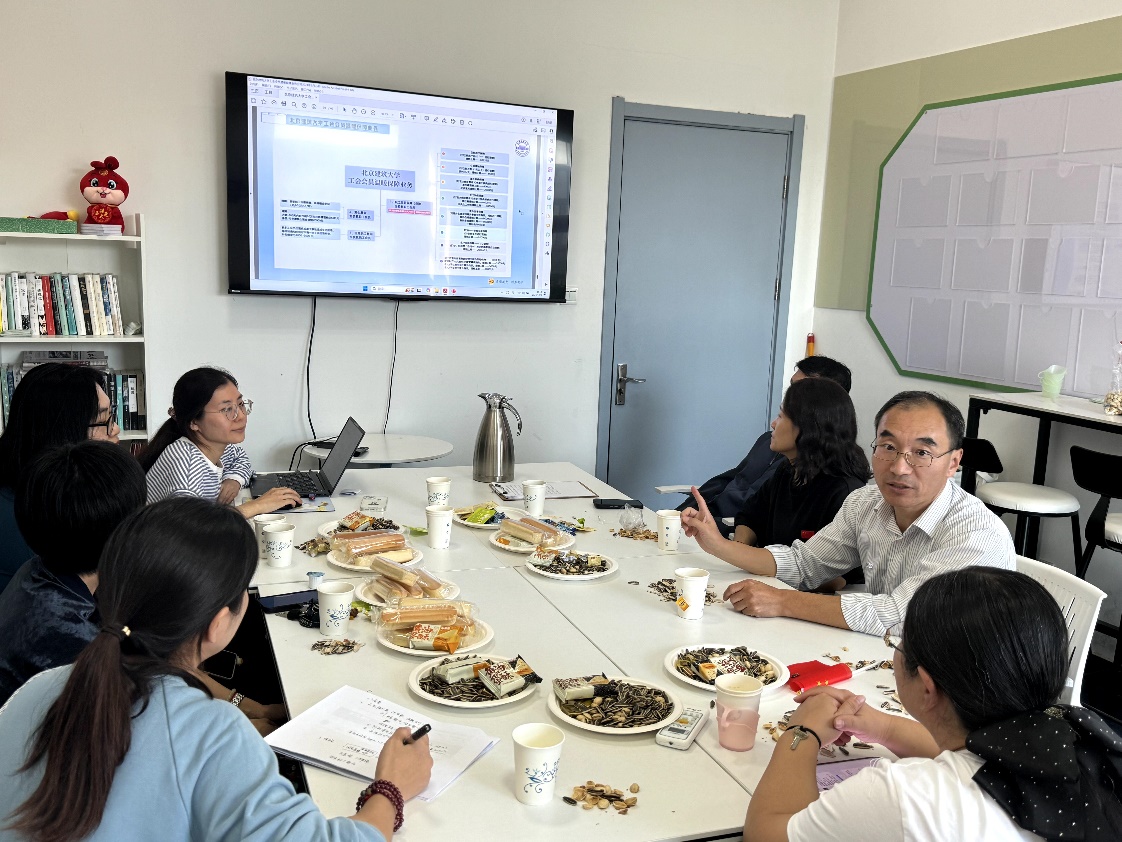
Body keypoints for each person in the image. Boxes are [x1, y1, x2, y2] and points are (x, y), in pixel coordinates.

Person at [0, 498, 432, 842]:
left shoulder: (36, 691)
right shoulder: (211, 732)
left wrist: (247, 704)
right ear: (218, 622)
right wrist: (391, 789)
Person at [745, 568, 1122, 841]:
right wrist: (884, 727)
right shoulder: (1079, 740)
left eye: (899, 644)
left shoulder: (907, 797)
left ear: (927, 687)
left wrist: (802, 732)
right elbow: (974, 760)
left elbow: (765, 834)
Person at [682, 390, 1015, 635]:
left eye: (921, 453)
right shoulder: (865, 503)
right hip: (887, 657)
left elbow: (900, 616)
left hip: (962, 683)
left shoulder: (976, 533)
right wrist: (716, 544)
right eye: (888, 447)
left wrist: (782, 601)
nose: (899, 467)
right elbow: (805, 564)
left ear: (953, 462)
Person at [678, 356, 853, 522]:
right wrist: (681, 512)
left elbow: (758, 519)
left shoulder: (813, 471)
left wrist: (711, 526)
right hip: (709, 520)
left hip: (728, 528)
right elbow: (729, 479)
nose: (791, 395)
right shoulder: (768, 441)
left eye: (801, 388)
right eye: (791, 387)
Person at [0, 363, 119, 593]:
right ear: (63, 432)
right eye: (103, 420)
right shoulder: (34, 526)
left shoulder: (50, 497)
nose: (115, 430)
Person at [139, 366, 300, 518]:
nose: (241, 416)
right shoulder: (187, 468)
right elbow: (190, 530)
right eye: (226, 409)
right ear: (194, 422)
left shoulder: (212, 446)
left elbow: (241, 459)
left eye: (240, 404)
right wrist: (258, 506)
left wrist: (234, 480)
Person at [730, 377, 869, 550]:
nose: (773, 424)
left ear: (808, 427)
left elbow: (818, 564)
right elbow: (749, 516)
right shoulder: (788, 470)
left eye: (781, 416)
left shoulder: (844, 494)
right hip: (766, 566)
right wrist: (739, 549)